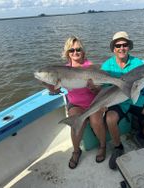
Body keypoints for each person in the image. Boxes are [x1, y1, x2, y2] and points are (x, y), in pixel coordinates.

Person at [101, 31, 144, 170]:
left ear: (129, 46)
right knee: (110, 119)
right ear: (113, 48)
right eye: (118, 45)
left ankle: (142, 135)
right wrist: (103, 104)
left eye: (125, 45)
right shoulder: (106, 66)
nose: (121, 48)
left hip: (135, 97)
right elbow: (104, 89)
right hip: (117, 100)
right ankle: (118, 147)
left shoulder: (137, 63)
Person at [45, 36, 106, 169]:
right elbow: (56, 90)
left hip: (94, 101)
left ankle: (103, 145)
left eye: (78, 49)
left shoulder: (90, 67)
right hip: (75, 104)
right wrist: (47, 83)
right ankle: (76, 151)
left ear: (83, 51)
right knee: (76, 122)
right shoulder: (62, 70)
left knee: (96, 122)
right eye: (71, 50)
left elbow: (100, 90)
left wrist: (94, 88)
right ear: (67, 53)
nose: (75, 52)